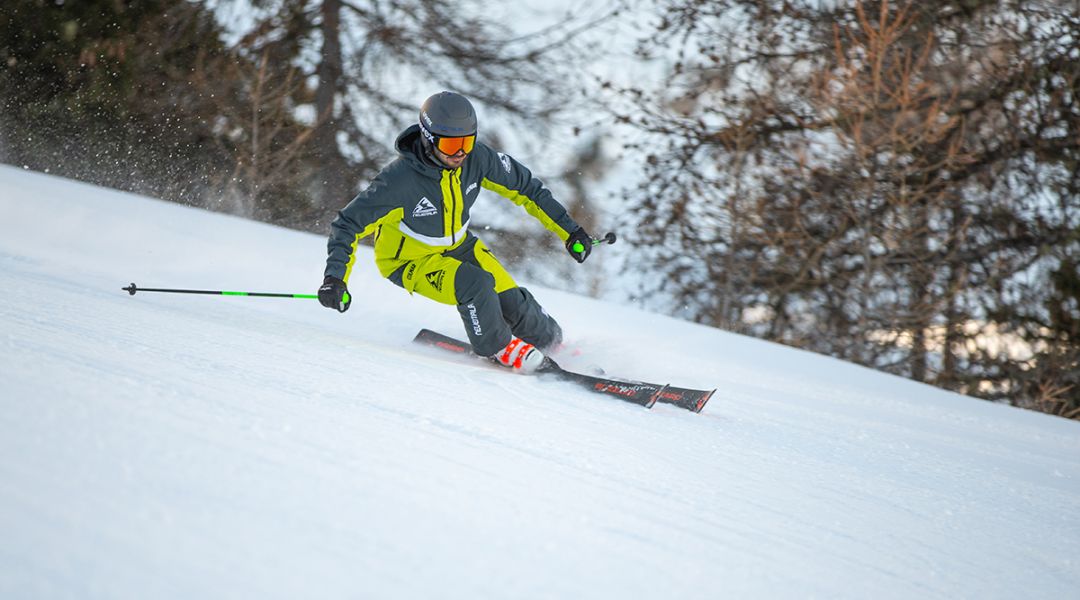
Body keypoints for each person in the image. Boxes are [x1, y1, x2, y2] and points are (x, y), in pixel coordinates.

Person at [317, 91, 594, 373]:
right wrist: (334, 278)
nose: (461, 152)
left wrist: (570, 232)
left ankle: (551, 343)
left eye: (467, 141)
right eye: (451, 145)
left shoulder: (477, 159)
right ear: (429, 138)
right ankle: (497, 347)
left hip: (460, 245)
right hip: (410, 261)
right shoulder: (398, 182)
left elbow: (527, 189)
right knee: (475, 284)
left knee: (517, 305)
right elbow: (347, 224)